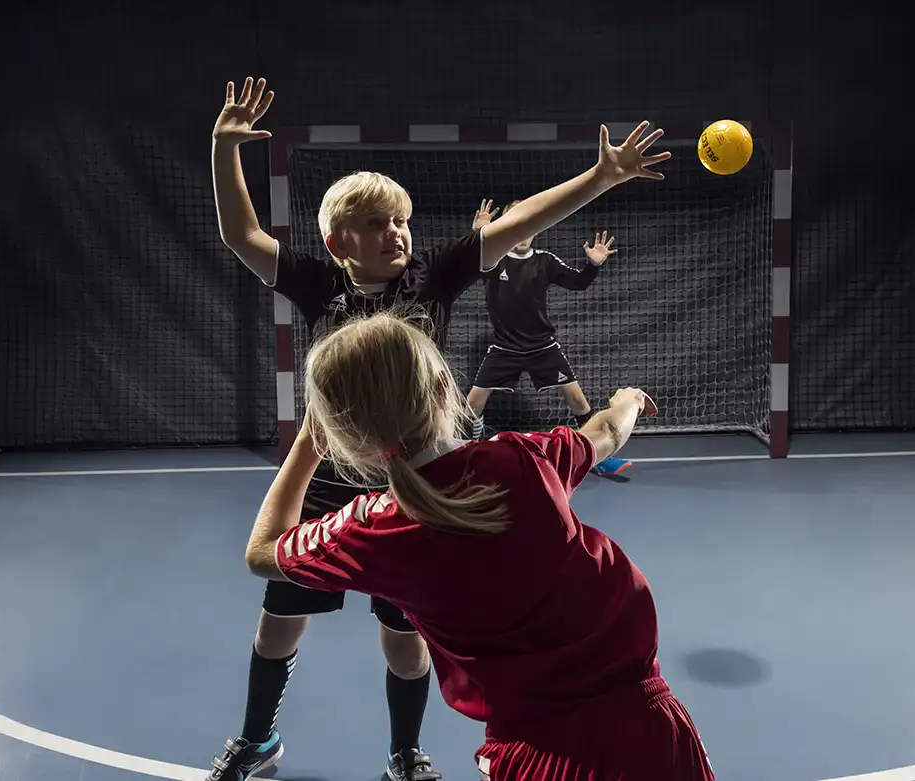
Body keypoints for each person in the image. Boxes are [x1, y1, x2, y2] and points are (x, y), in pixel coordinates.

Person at [209, 75, 671, 781]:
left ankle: (404, 753)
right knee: (280, 621)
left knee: (407, 633)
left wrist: (600, 178)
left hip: (416, 487)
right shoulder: (316, 284)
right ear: (338, 241)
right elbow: (241, 234)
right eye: (376, 224)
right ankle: (256, 739)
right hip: (334, 481)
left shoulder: (433, 279)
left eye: (401, 221)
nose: (395, 232)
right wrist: (223, 151)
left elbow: (522, 225)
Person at [243, 312, 714, 781]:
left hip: (538, 759)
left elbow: (262, 552)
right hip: (654, 729)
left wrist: (307, 443)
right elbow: (606, 432)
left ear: (349, 440)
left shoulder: (374, 529)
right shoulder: (521, 458)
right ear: (445, 390)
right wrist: (628, 400)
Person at [467, 200, 632, 476]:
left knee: (579, 402)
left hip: (542, 346)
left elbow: (578, 282)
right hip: (504, 348)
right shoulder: (492, 259)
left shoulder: (545, 260)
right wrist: (478, 239)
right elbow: (468, 263)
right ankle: (473, 448)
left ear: (537, 227)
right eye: (515, 224)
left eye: (528, 223)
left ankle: (597, 456)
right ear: (505, 228)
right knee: (472, 405)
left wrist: (593, 265)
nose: (522, 231)